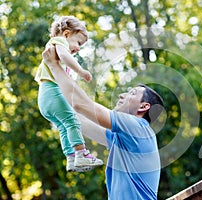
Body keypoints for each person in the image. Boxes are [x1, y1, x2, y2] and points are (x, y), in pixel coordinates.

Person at [42, 46, 164, 199]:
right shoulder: (122, 139)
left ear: (143, 107)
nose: (121, 95)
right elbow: (78, 120)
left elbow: (81, 104)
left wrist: (54, 65)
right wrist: (49, 89)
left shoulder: (137, 127)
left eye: (132, 93)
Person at [34, 16, 103, 172]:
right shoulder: (59, 41)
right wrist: (81, 71)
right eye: (78, 42)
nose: (78, 48)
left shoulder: (56, 45)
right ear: (66, 34)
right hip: (52, 91)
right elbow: (65, 56)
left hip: (44, 99)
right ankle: (81, 153)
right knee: (72, 121)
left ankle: (71, 158)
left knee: (64, 126)